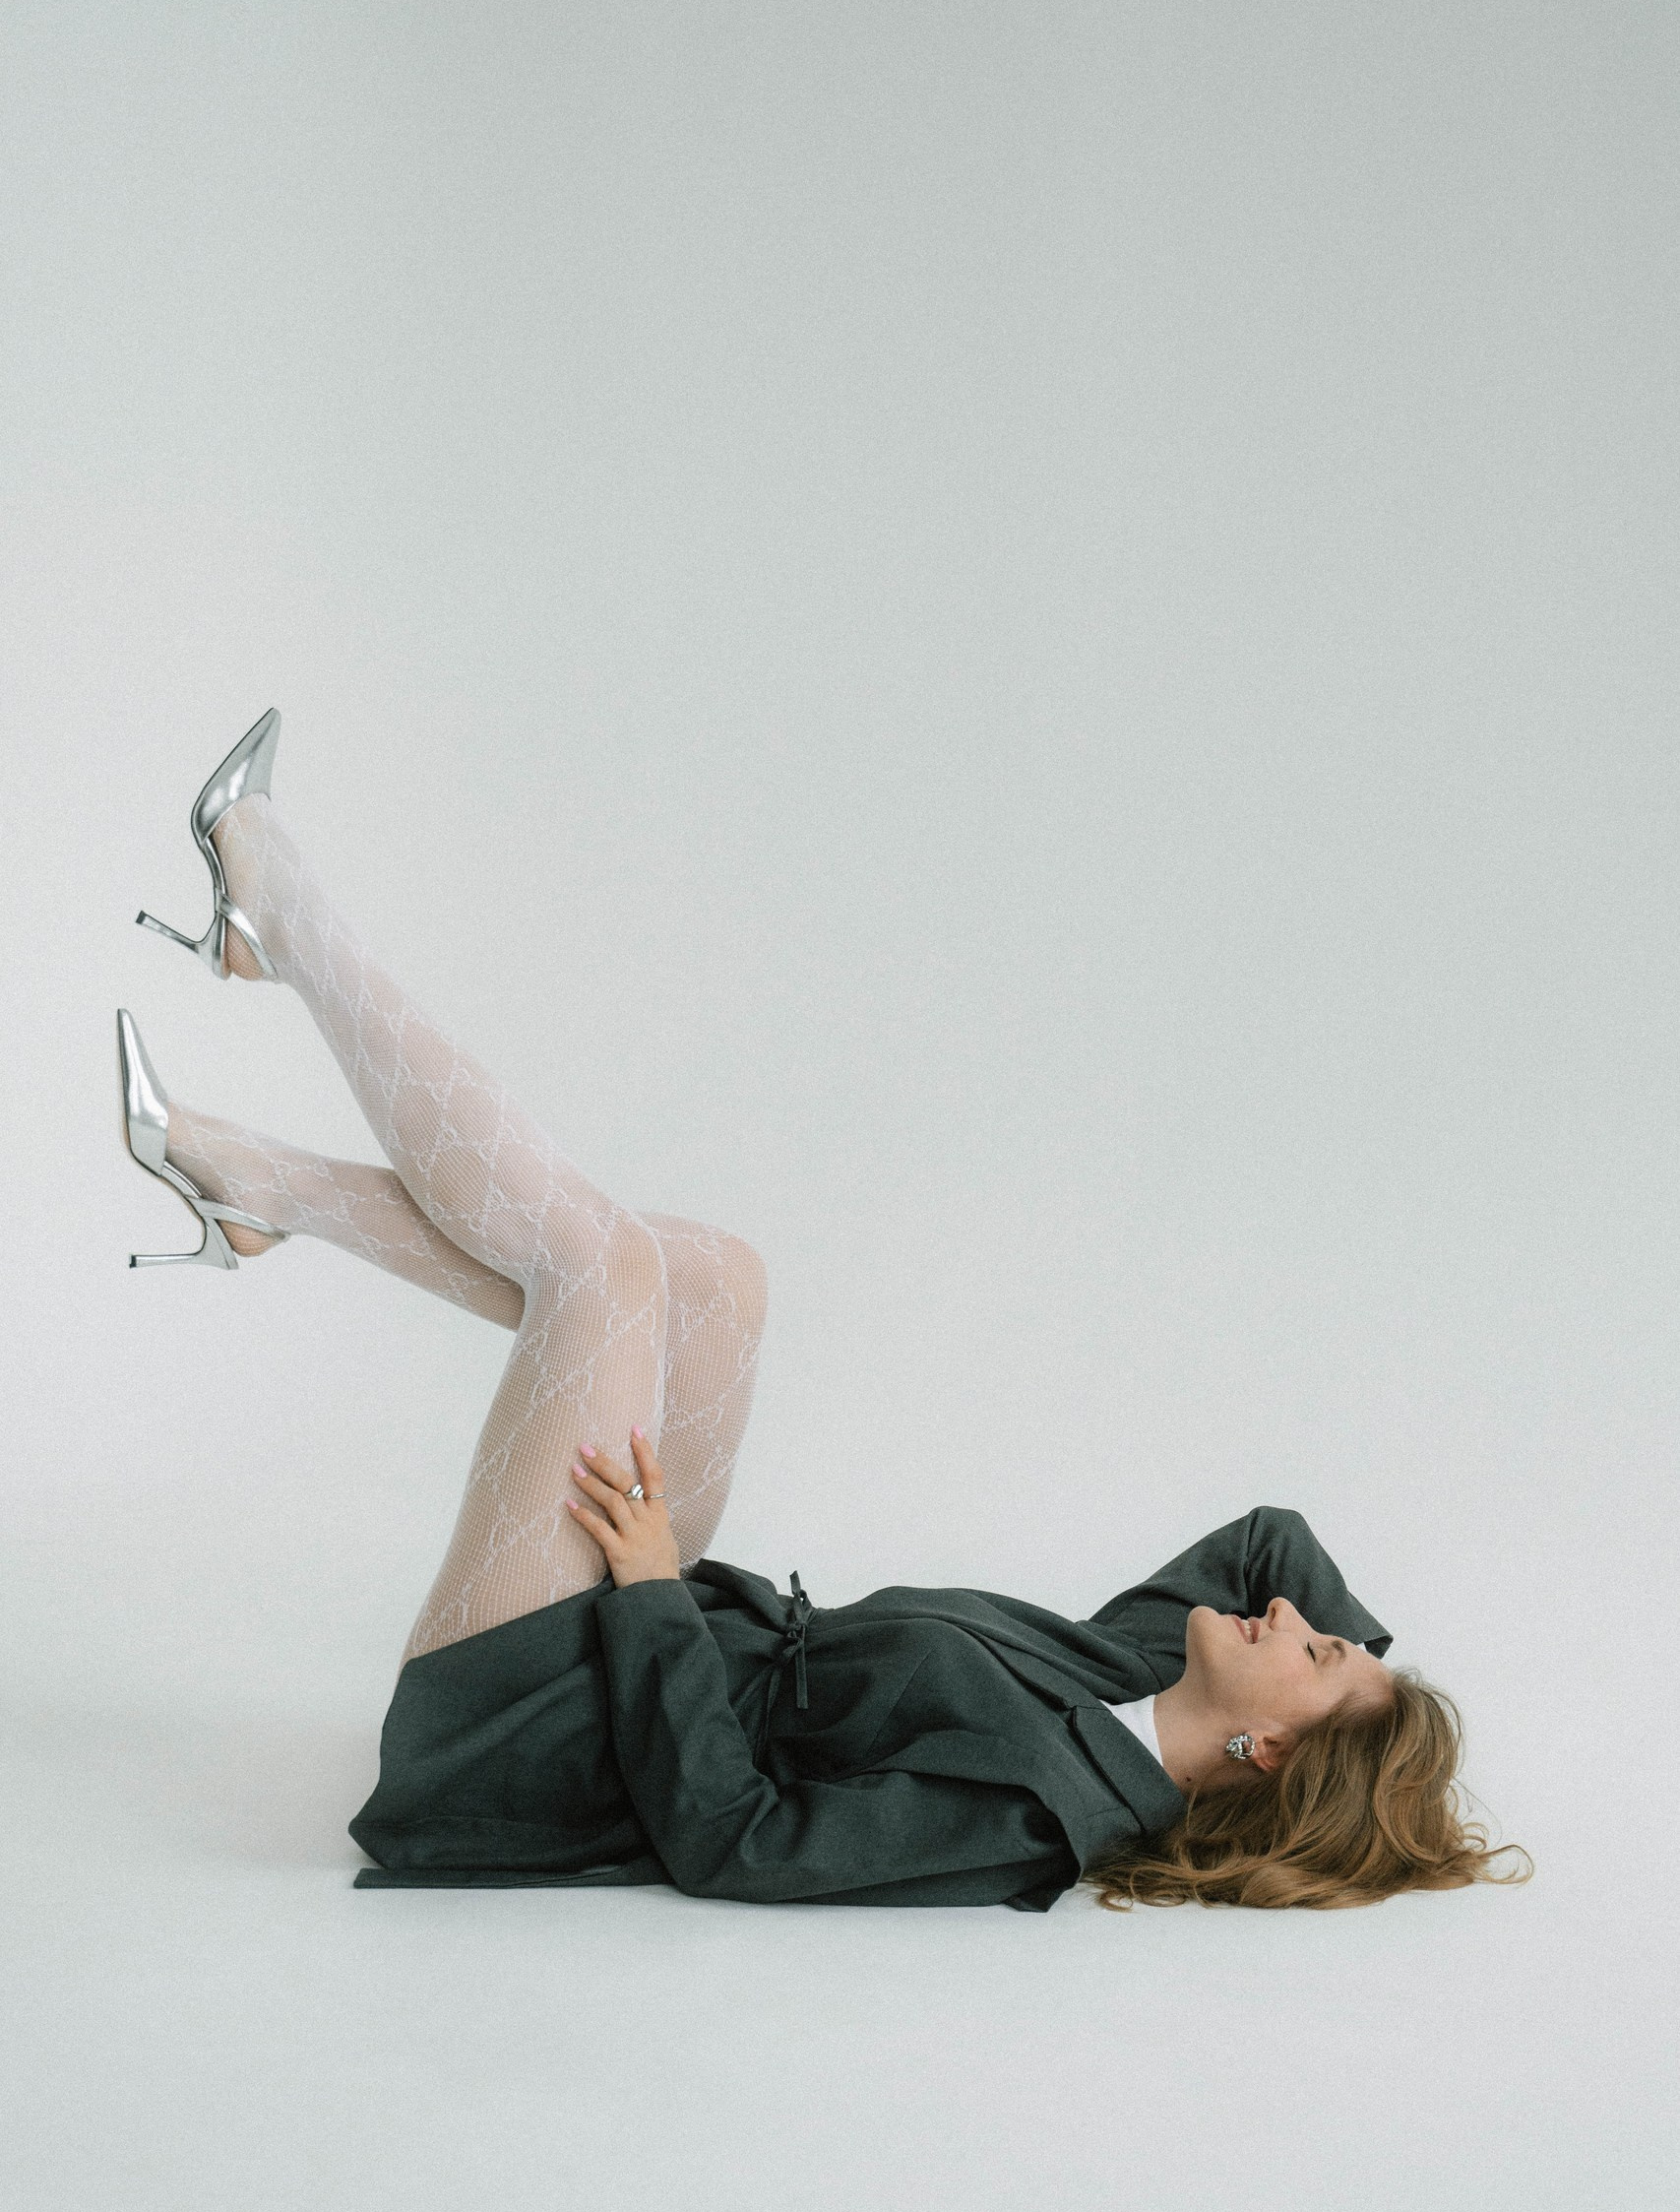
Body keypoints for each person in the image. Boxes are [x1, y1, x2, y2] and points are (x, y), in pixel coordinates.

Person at [119, 712, 1528, 1914]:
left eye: (1317, 1650)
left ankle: (279, 920)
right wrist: (1377, 1709)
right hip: (651, 1643)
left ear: (1265, 1753)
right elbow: (1273, 1539)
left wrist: (651, 1589)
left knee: (599, 1269)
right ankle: (253, 1190)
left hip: (529, 1742)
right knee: (717, 1279)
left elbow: (733, 1841)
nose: (1288, 1613)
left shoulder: (1040, 1819)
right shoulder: (1142, 1671)